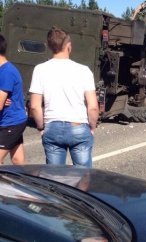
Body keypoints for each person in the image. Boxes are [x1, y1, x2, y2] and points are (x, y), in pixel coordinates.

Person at [29, 26, 99, 167]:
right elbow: (93, 107)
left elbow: (35, 106)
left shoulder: (40, 69)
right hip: (78, 126)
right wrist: (92, 127)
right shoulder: (83, 70)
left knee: (55, 179)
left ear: (49, 46)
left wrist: (41, 128)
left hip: (52, 128)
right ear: (68, 46)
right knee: (83, 178)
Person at [0, 34, 27, 165]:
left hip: (11, 122)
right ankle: (27, 183)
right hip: (11, 121)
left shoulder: (6, 72)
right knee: (18, 160)